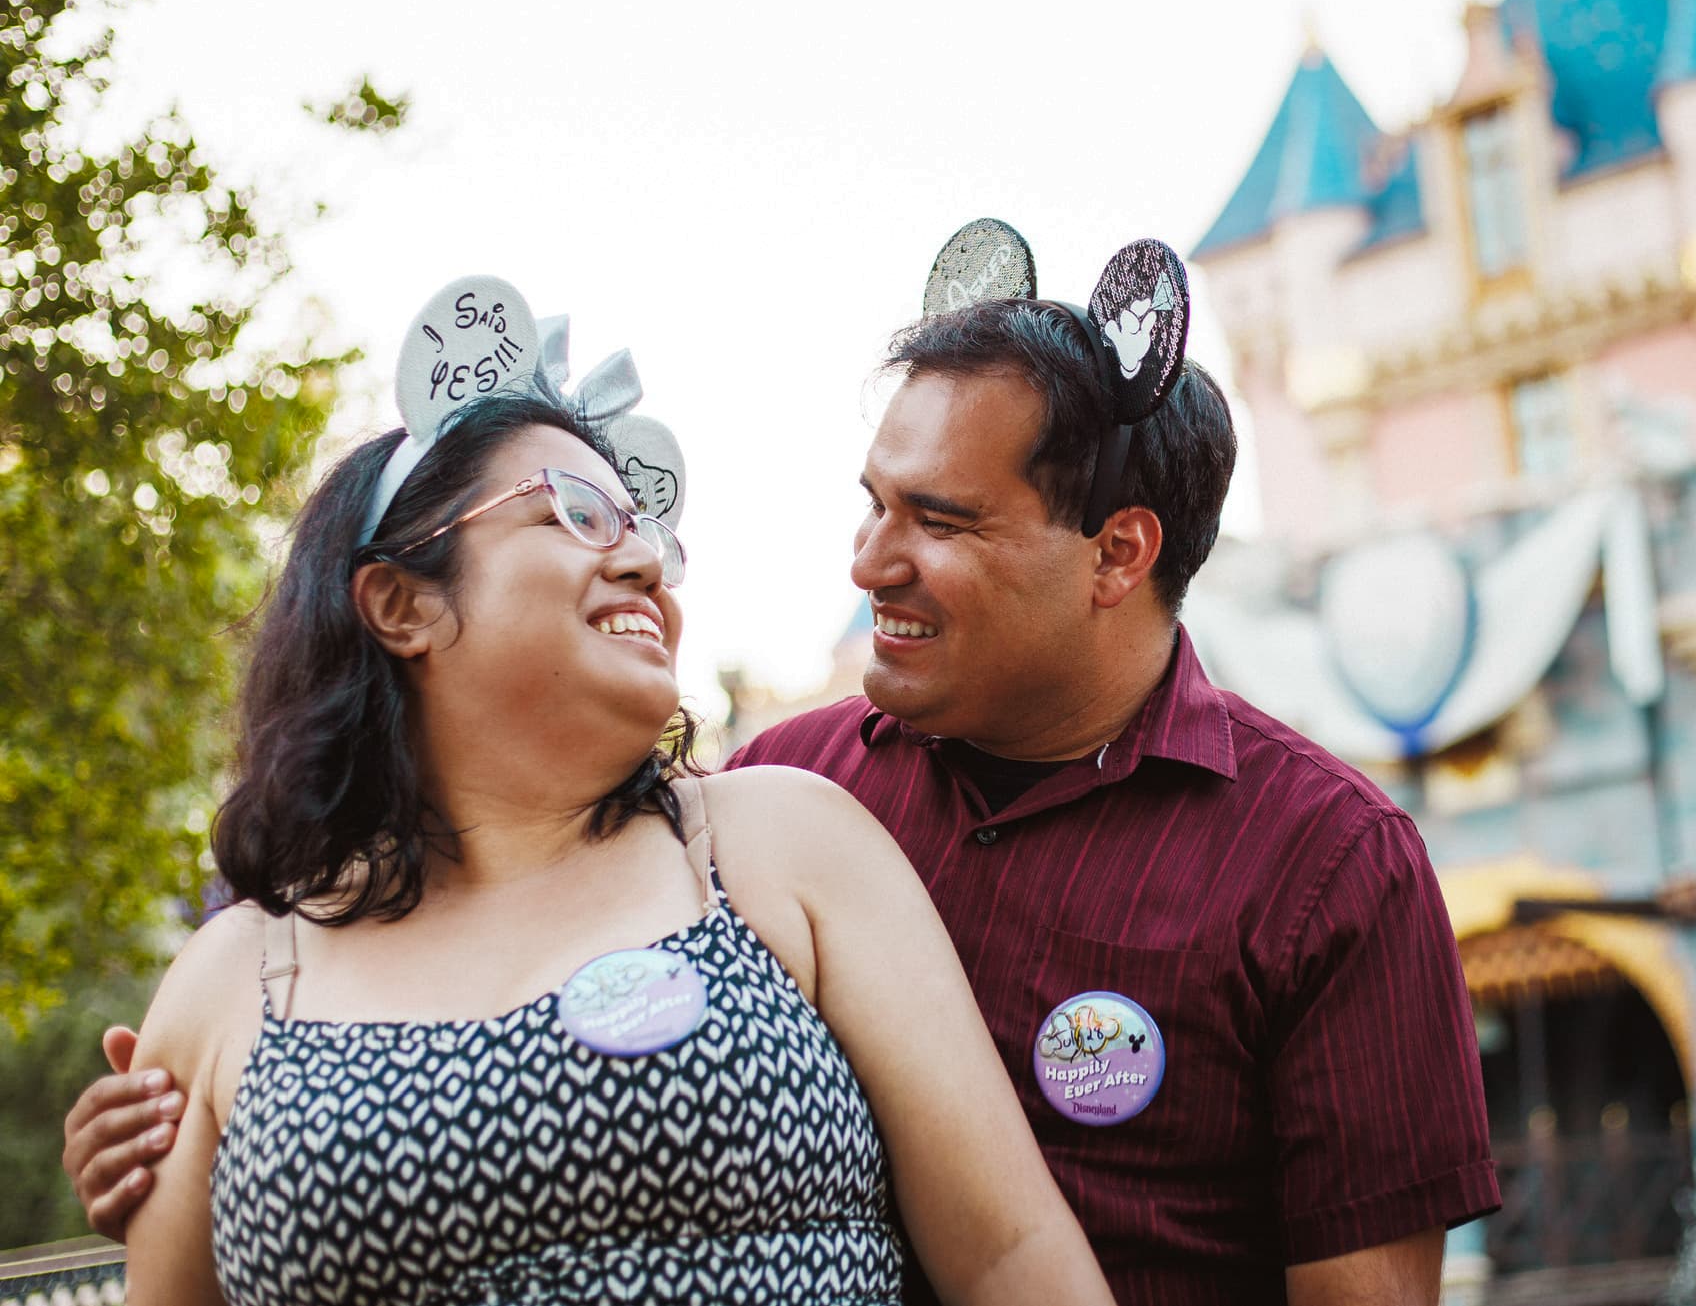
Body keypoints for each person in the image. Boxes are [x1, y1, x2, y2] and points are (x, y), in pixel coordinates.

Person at [71, 280, 1497, 1304]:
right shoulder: (783, 783)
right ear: (398, 603)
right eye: (874, 501)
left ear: (1117, 554)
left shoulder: (1320, 859)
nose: (868, 559)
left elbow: (1023, 1254)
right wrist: (197, 1138)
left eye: (936, 519)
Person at [108, 291, 1111, 1304]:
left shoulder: (781, 845)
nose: (640, 558)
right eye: (578, 514)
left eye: (646, 531)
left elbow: (1009, 1257)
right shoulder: (232, 984)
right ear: (401, 602)